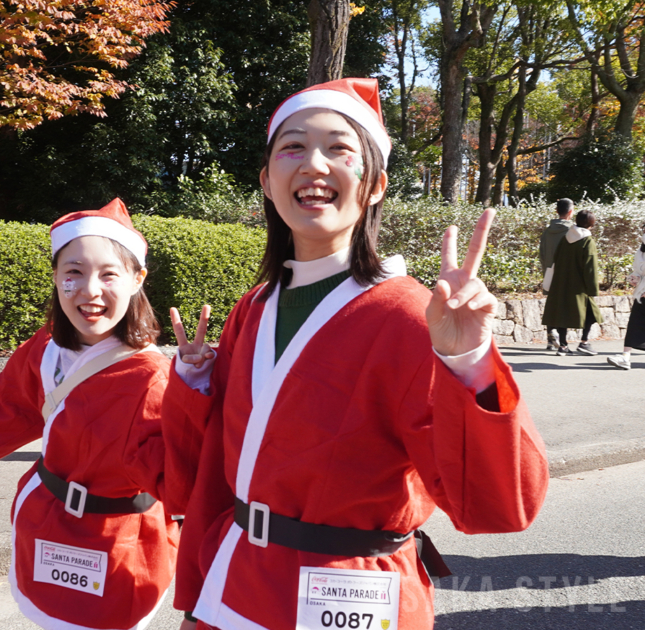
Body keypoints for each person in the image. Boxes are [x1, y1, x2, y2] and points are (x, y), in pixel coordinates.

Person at [162, 78, 549, 630]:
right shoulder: (255, 305)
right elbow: (215, 475)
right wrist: (198, 598)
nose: (313, 164)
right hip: (236, 582)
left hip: (350, 592)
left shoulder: (411, 314)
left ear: (374, 185)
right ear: (267, 182)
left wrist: (469, 361)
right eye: (292, 147)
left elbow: (499, 505)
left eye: (339, 148)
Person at [0, 199, 180, 630]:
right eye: (73, 272)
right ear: (57, 277)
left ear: (138, 280)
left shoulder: (154, 378)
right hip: (47, 523)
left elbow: (184, 482)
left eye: (109, 274)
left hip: (120, 542)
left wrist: (196, 396)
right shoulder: (46, 348)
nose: (90, 290)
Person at [541, 210, 603, 357]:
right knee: (592, 313)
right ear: (591, 224)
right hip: (579, 285)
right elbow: (590, 267)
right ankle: (584, 342)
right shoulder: (587, 241)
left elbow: (556, 258)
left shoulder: (565, 238)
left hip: (561, 282)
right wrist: (593, 289)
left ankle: (563, 346)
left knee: (563, 313)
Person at [607, 228, 645, 369]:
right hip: (642, 292)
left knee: (636, 323)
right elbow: (639, 269)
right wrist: (635, 278)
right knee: (635, 324)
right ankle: (625, 357)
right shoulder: (642, 249)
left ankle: (625, 357)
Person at [539, 198, 574, 349]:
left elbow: (542, 252)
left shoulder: (548, 231)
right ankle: (560, 338)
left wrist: (546, 267)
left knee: (551, 303)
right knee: (564, 304)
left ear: (556, 211)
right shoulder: (572, 230)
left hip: (548, 271)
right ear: (571, 212)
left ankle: (550, 338)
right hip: (566, 273)